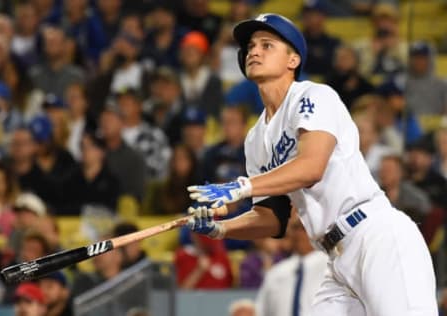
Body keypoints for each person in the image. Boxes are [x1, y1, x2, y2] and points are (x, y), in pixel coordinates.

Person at [187, 13, 437, 315]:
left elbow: (311, 167)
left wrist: (242, 188)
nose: (254, 50)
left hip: (375, 235)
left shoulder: (314, 96)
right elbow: (273, 218)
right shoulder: (255, 139)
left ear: (293, 60)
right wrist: (221, 228)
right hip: (335, 258)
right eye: (251, 45)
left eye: (267, 45)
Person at [256, 211, 328, 316]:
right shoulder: (276, 272)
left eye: (304, 228)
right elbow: (262, 310)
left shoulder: (331, 266)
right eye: (295, 228)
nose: (299, 233)